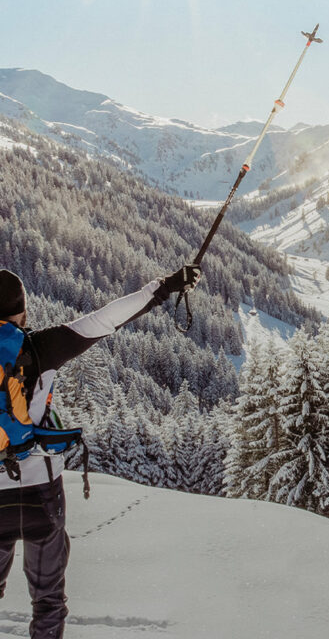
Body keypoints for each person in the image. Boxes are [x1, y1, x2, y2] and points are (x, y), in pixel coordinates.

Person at [0, 265, 200, 639]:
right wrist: (165, 286)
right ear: (22, 312)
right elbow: (106, 319)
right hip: (39, 491)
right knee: (47, 601)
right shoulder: (41, 348)